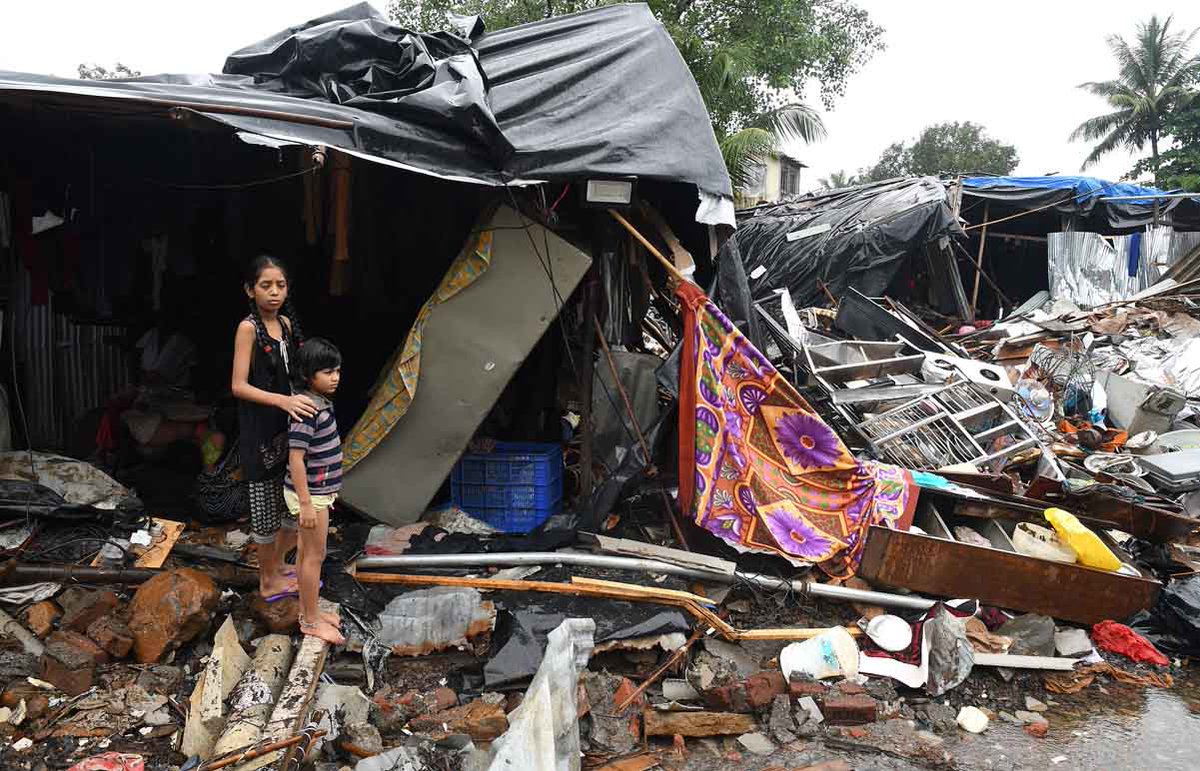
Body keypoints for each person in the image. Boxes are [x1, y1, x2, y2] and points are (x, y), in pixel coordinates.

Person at [231, 255, 316, 602]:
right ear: (250, 290)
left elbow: (294, 376)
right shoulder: (248, 328)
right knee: (265, 510)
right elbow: (238, 385)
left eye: (280, 285)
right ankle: (268, 580)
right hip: (260, 432)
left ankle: (279, 567)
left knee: (291, 506)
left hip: (289, 431)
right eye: (266, 285)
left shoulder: (286, 324)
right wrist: (283, 401)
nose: (274, 292)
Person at [285, 337, 346, 645]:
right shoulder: (307, 409)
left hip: (318, 493)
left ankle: (309, 610)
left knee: (306, 553)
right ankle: (310, 622)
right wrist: (307, 504)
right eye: (327, 372)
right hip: (312, 495)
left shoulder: (320, 403)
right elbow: (295, 459)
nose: (334, 377)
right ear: (308, 376)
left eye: (337, 371)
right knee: (314, 556)